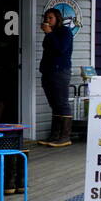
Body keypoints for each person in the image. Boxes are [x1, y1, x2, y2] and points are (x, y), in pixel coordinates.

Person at [38, 8, 74, 147]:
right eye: (46, 17)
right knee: (54, 104)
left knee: (62, 102)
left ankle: (65, 137)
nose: (48, 20)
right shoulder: (51, 34)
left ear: (57, 19)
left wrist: (49, 33)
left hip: (60, 71)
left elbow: (61, 49)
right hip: (48, 71)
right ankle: (54, 136)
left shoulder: (65, 32)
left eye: (50, 17)